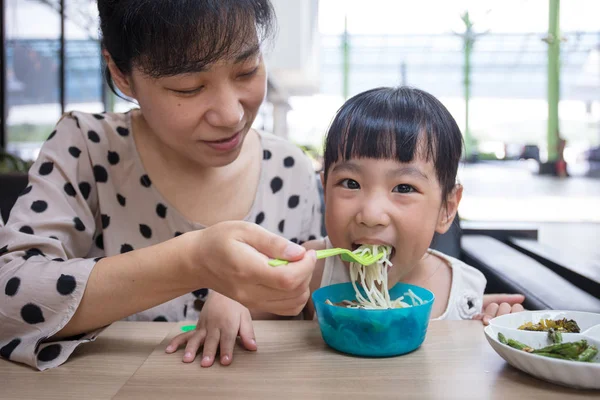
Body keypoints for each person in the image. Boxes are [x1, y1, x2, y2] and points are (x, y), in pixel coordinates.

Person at [0, 0, 321, 370]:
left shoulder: (290, 168)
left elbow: (309, 315)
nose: (231, 114)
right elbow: (9, 300)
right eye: (188, 88)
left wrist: (253, 300)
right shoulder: (86, 149)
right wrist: (194, 261)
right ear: (121, 74)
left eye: (246, 70)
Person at [168, 86, 525, 366]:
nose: (371, 214)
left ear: (447, 208)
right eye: (350, 183)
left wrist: (501, 320)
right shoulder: (314, 267)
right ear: (324, 187)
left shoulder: (463, 289)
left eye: (404, 188)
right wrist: (228, 299)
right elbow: (244, 294)